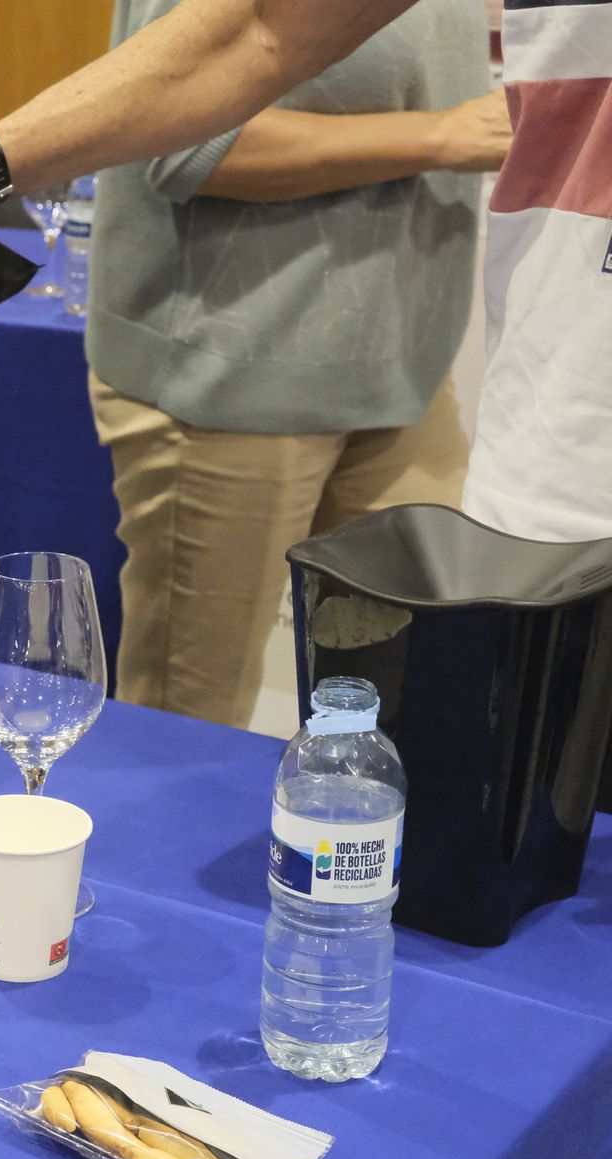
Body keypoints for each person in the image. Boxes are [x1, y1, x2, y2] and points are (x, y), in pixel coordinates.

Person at [0, 0, 612, 547]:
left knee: (393, 715)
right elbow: (252, 42)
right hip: (255, 381)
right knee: (212, 728)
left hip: (412, 378)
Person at [86, 0, 508, 728]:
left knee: (387, 713)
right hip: (229, 386)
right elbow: (183, 141)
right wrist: (439, 136)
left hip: (402, 380)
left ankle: (340, 809)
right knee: (188, 726)